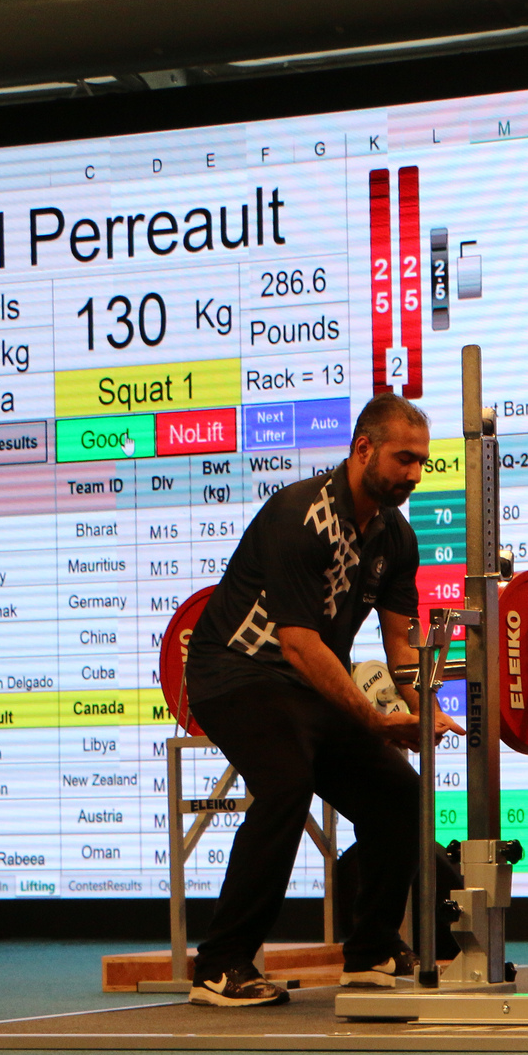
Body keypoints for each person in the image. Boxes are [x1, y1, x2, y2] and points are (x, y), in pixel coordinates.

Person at [181, 392, 457, 1006]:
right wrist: (378, 722)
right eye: (403, 459)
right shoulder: (300, 514)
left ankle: (371, 948)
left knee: (399, 797)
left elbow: (401, 644)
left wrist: (422, 703)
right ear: (363, 450)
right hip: (236, 672)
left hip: (304, 685)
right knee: (286, 782)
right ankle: (220, 965)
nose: (414, 474)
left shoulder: (396, 539)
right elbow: (302, 645)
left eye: (421, 462)